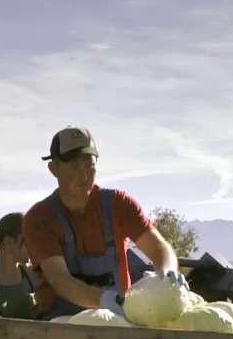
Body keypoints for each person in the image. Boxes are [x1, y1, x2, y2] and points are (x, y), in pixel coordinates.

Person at [22, 127, 181, 319]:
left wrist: (167, 273)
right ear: (53, 169)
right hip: (60, 326)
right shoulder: (39, 218)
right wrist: (106, 300)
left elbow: (158, 248)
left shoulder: (119, 205)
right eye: (74, 166)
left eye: (89, 164)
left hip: (118, 319)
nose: (84, 175)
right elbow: (60, 280)